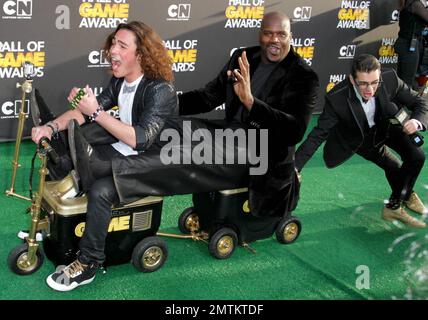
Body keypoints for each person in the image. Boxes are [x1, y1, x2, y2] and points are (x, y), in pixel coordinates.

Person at [96, 11, 318, 220]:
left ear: (291, 36)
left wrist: (251, 103)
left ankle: (113, 170)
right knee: (168, 126)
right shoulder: (244, 57)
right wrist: (162, 103)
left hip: (263, 149)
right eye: (268, 33)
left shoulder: (303, 76)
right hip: (229, 133)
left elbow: (294, 131)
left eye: (281, 34)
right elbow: (209, 97)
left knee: (186, 152)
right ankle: (110, 155)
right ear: (260, 33)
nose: (274, 40)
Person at [30, 21, 178, 291]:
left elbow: (141, 139)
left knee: (100, 189)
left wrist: (97, 112)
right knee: (69, 146)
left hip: (153, 164)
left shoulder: (160, 90)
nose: (113, 50)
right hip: (126, 150)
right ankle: (55, 221)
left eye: (122, 46)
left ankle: (88, 263)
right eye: (113, 44)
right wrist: (50, 127)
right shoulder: (120, 80)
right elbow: (84, 112)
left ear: (141, 55)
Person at [295, 54, 427, 228]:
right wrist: (295, 166)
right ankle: (397, 203)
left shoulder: (389, 79)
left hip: (389, 126)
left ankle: (404, 195)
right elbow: (318, 134)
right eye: (363, 83)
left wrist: (416, 121)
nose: (370, 90)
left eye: (374, 82)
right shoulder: (337, 99)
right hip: (361, 139)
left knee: (417, 157)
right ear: (352, 79)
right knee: (393, 166)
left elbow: (419, 102)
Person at [394, 0, 428, 89]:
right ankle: (403, 102)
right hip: (408, 46)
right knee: (407, 82)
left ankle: (399, 102)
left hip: (405, 44)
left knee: (402, 81)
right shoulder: (415, 4)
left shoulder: (410, 3)